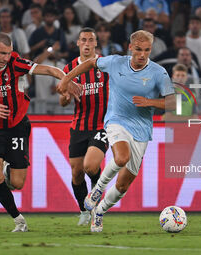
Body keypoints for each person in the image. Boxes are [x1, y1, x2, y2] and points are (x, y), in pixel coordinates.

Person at [58, 30, 175, 232]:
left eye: (147, 50)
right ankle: (97, 191)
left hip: (141, 129)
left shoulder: (158, 72)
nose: (142, 55)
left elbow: (173, 102)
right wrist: (66, 79)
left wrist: (150, 102)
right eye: (138, 49)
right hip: (116, 121)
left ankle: (101, 211)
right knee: (121, 158)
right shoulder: (116, 62)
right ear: (130, 48)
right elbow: (89, 63)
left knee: (122, 186)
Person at [0, 32, 80, 232]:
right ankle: (18, 219)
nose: (6, 58)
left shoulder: (14, 62)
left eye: (9, 53)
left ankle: (8, 169)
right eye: (2, 54)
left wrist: (67, 80)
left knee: (17, 183)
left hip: (16, 126)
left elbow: (48, 69)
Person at [59, 27, 109, 226]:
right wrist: (65, 97)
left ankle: (96, 202)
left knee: (91, 165)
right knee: (77, 172)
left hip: (102, 126)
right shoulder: (68, 69)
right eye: (83, 40)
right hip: (78, 126)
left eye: (90, 40)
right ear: (78, 43)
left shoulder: (105, 65)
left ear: (95, 44)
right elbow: (63, 101)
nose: (87, 43)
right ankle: (84, 210)